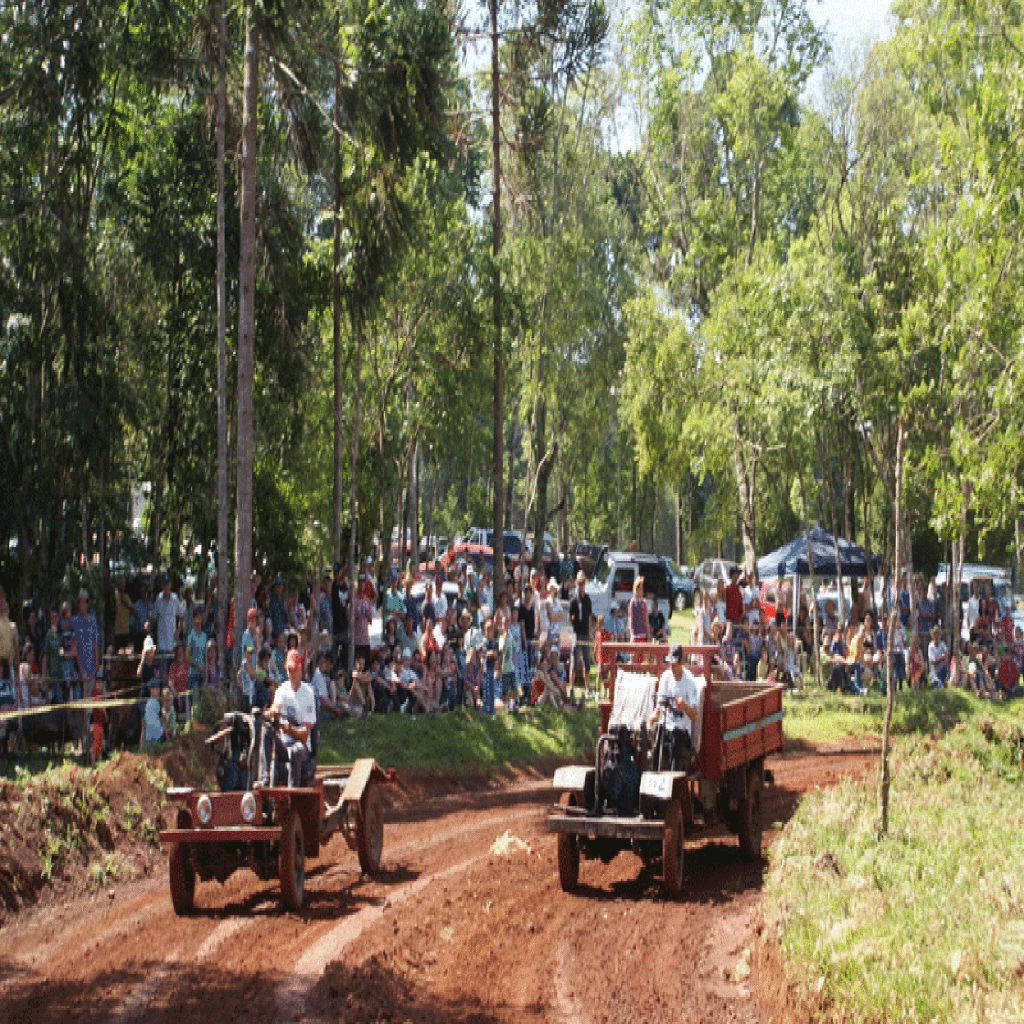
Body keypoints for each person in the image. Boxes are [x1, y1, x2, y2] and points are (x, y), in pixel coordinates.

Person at [259, 648, 317, 788]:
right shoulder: (281, 690)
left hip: (302, 747)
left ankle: (292, 792)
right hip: (284, 744)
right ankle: (264, 779)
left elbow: (304, 735)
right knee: (266, 731)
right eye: (289, 670)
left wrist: (289, 730)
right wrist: (271, 713)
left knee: (295, 751)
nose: (291, 674)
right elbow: (276, 707)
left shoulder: (308, 693)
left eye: (294, 670)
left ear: (300, 669)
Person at [650, 643, 706, 772]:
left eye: (675, 664)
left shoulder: (689, 682)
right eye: (670, 664)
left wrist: (685, 707)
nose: (672, 667)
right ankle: (654, 773)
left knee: (676, 734)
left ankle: (674, 779)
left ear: (682, 661)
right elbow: (659, 707)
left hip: (681, 732)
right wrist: (652, 719)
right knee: (655, 730)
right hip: (666, 727)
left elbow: (694, 716)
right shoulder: (665, 677)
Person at [153, 575, 183, 682]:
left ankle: (172, 697)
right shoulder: (158, 599)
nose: (166, 587)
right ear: (162, 586)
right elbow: (154, 618)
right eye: (164, 585)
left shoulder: (175, 599)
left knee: (172, 673)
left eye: (168, 584)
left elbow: (181, 616)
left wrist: (178, 631)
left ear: (170, 585)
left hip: (172, 642)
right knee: (163, 673)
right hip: (162, 642)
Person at [568, 571, 593, 696]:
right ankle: (571, 688)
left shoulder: (588, 599)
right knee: (574, 660)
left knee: (586, 661)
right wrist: (575, 626)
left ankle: (587, 689)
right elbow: (569, 617)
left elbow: (589, 616)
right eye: (579, 583)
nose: (581, 585)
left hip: (586, 634)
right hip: (577, 634)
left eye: (583, 583)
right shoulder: (574, 599)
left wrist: (590, 632)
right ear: (577, 584)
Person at [628, 576, 650, 644]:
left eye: (642, 588)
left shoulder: (644, 602)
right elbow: (630, 618)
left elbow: (646, 619)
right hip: (635, 635)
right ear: (636, 589)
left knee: (643, 653)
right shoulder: (632, 602)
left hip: (643, 634)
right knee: (634, 653)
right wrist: (631, 635)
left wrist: (648, 634)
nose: (642, 590)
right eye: (640, 588)